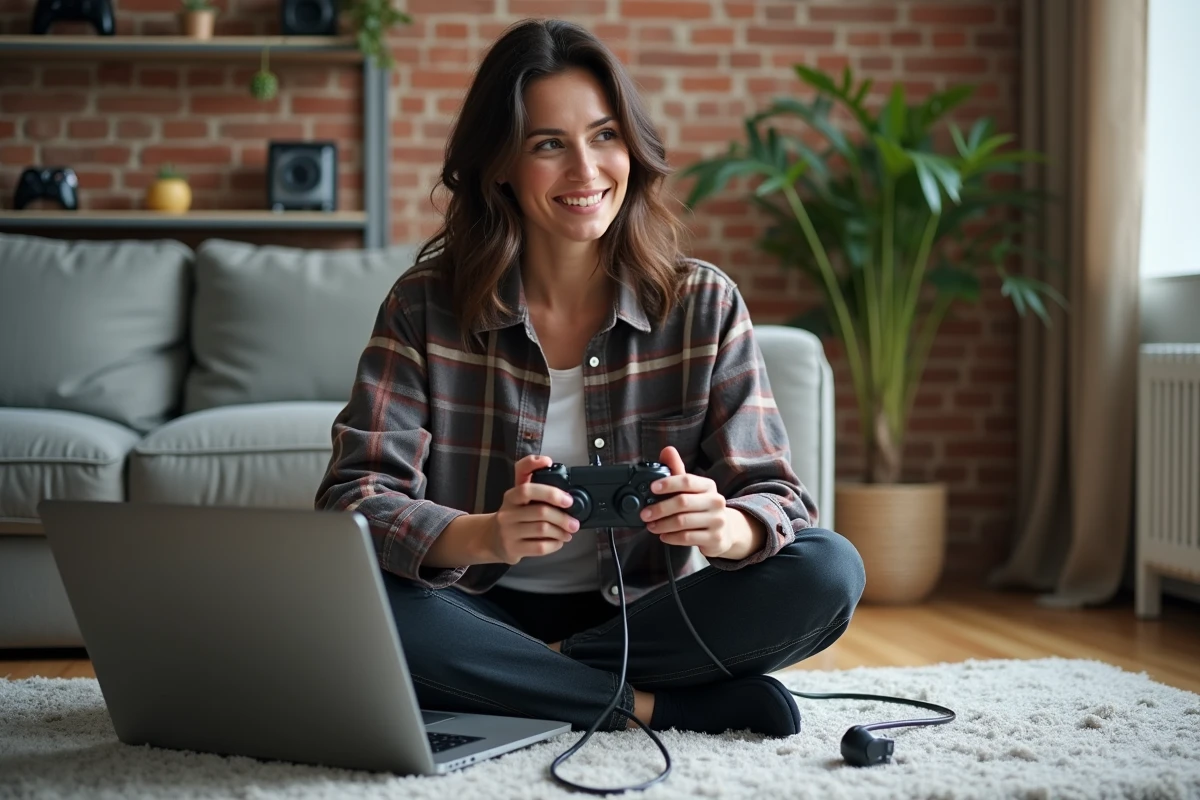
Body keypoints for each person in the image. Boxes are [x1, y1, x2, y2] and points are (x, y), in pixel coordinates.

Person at [315, 18, 865, 738]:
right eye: (549, 144)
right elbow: (352, 500)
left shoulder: (702, 303)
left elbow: (779, 497)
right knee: (347, 596)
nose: (586, 171)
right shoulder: (425, 305)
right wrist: (485, 535)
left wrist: (724, 526)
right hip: (474, 608)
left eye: (605, 136)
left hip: (644, 619)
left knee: (829, 569)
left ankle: (516, 679)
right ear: (500, 165)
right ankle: (644, 707)